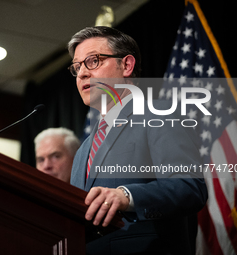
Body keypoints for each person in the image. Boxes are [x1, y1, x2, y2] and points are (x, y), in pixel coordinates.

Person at [67, 26, 208, 255]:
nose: (82, 73)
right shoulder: (83, 150)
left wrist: (126, 196)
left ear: (127, 65)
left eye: (93, 61)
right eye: (77, 66)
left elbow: (189, 187)